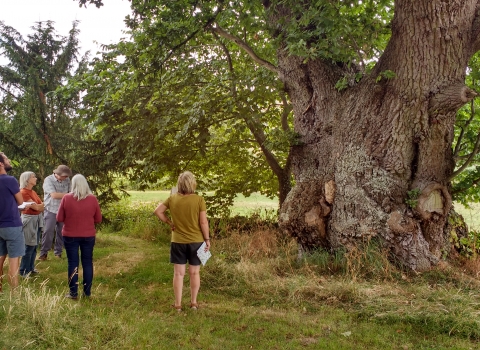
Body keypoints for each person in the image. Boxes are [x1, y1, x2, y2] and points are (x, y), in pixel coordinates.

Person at [154, 171, 211, 311]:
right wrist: (207, 239)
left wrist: (169, 222)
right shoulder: (199, 200)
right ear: (192, 183)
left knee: (179, 274)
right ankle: (193, 303)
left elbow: (158, 211)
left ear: (179, 184)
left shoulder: (172, 199)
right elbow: (203, 222)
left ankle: (178, 305)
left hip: (178, 242)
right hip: (196, 242)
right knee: (194, 273)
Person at [57, 174, 102, 299]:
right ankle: (87, 292)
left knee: (73, 263)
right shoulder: (92, 199)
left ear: (73, 184)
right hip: (88, 235)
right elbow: (98, 219)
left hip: (70, 235)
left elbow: (59, 218)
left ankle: (73, 293)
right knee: (87, 262)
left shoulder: (66, 198)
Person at [0, 152, 25, 292]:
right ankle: (14, 296)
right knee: (14, 261)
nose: (9, 160)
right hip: (11, 224)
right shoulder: (9, 180)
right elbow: (20, 201)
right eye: (6, 159)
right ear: (1, 164)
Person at [38, 165, 72, 260]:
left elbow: (70, 191)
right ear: (57, 174)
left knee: (61, 232)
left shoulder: (67, 180)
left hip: (63, 209)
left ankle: (58, 253)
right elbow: (54, 195)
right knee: (48, 231)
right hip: (50, 209)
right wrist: (69, 195)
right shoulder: (48, 180)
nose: (66, 177)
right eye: (64, 176)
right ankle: (43, 253)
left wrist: (69, 194)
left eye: (66, 176)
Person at [19, 171, 44, 276]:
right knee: (29, 245)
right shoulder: (23, 192)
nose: (36, 178)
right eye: (33, 177)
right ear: (27, 180)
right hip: (29, 219)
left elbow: (41, 206)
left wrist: (40, 206)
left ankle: (31, 267)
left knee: (35, 245)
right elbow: (38, 207)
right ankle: (23, 270)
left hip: (37, 219)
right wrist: (40, 206)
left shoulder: (33, 192)